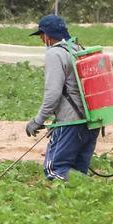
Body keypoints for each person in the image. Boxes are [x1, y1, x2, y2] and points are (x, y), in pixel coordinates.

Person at [24, 14, 99, 181]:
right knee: (77, 173)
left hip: (71, 122)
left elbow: (53, 93)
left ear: (47, 35)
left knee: (55, 170)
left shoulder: (55, 53)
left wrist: (37, 121)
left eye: (41, 36)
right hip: (91, 122)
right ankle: (90, 192)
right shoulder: (77, 49)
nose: (42, 41)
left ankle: (92, 185)